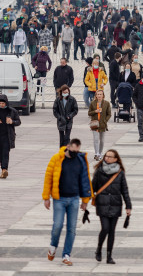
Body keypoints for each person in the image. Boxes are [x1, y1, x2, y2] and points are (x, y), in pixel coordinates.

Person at [43, 137, 93, 266]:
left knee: (71, 229)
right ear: (68, 147)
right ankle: (53, 246)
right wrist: (46, 197)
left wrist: (85, 200)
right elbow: (48, 177)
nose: (75, 153)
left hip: (74, 198)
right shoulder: (57, 159)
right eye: (73, 150)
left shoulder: (81, 160)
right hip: (59, 198)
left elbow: (85, 179)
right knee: (57, 225)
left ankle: (66, 255)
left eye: (77, 150)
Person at [92, 149, 132, 264]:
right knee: (105, 228)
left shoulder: (120, 173)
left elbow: (125, 190)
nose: (107, 158)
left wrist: (128, 206)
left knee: (112, 231)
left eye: (110, 157)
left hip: (115, 204)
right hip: (102, 203)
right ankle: (99, 249)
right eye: (106, 156)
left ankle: (109, 255)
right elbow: (93, 187)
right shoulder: (99, 171)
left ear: (116, 159)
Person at [0, 94, 21, 178]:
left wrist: (11, 121)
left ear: (6, 103)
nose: (1, 105)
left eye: (3, 103)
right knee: (0, 153)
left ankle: (4, 169)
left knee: (6, 152)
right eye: (0, 103)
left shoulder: (12, 111)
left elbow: (18, 122)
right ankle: (3, 170)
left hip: (8, 136)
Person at [88, 89, 112, 160]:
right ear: (96, 96)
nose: (99, 96)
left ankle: (100, 152)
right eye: (98, 94)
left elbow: (109, 114)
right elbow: (89, 113)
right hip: (95, 123)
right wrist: (95, 111)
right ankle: (96, 153)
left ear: (103, 95)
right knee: (95, 139)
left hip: (102, 124)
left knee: (102, 140)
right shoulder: (92, 103)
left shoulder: (106, 103)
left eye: (100, 94)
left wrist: (105, 120)